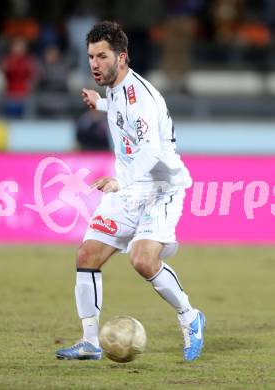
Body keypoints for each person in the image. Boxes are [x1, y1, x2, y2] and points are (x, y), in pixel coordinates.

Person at [56, 21, 205, 362]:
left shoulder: (144, 98)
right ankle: (90, 342)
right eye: (91, 56)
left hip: (161, 188)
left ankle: (189, 316)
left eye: (102, 56)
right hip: (130, 188)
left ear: (121, 58)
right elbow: (122, 113)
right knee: (87, 255)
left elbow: (151, 150)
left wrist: (121, 182)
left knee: (143, 259)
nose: (94, 63)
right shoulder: (114, 89)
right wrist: (101, 105)